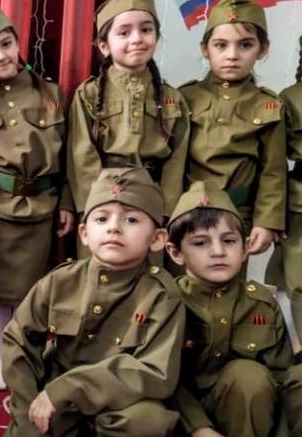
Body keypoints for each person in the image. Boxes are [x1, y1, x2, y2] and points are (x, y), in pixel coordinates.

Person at [0, 167, 185, 437]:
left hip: (120, 400)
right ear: (84, 233)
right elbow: (17, 343)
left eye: (131, 220)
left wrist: (70, 388)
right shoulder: (61, 280)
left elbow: (156, 372)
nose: (114, 228)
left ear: (157, 239)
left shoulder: (162, 294)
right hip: (57, 392)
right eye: (102, 219)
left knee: (147, 422)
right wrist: (28, 425)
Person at [0, 4, 75, 390]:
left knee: (32, 291)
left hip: (42, 208)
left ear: (17, 41)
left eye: (6, 44)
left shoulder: (51, 94)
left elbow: (69, 156)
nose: (1, 56)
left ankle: (24, 357)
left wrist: (67, 202)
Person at [153, 181, 302, 437]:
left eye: (229, 241)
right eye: (201, 243)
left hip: (249, 421)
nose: (218, 251)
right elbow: (166, 381)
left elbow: (282, 379)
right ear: (175, 252)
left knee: (248, 375)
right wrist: (202, 431)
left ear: (245, 248)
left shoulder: (261, 303)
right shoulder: (165, 301)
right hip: (185, 422)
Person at [66, 0, 189, 257]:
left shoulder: (171, 97)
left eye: (146, 30)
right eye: (124, 32)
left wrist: (166, 212)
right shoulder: (89, 94)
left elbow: (177, 159)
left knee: (147, 268)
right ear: (104, 45)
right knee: (101, 267)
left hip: (150, 200)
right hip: (102, 198)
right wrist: (93, 209)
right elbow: (81, 155)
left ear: (156, 36)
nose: (137, 39)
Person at [179, 0, 287, 258]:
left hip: (237, 216)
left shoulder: (268, 105)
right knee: (181, 278)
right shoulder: (185, 98)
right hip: (186, 212)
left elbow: (273, 171)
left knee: (227, 277)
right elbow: (173, 162)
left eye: (245, 45)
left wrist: (266, 221)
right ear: (205, 49)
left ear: (263, 49)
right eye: (221, 45)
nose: (232, 55)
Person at [266, 35, 302, 352]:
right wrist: (275, 218)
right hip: (299, 205)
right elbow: (275, 164)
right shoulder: (290, 99)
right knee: (296, 282)